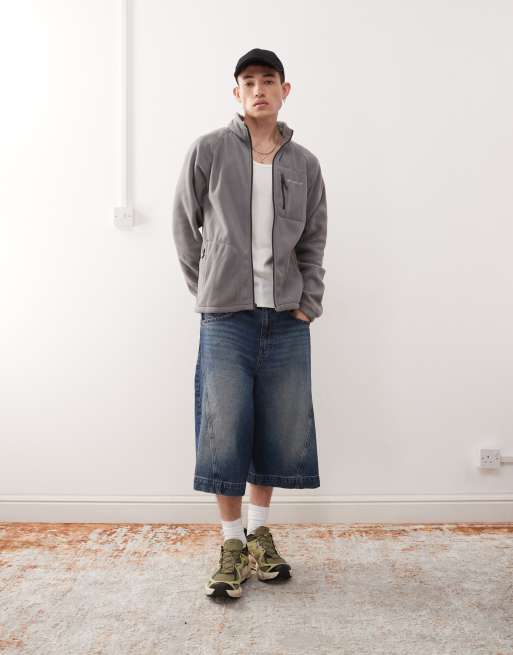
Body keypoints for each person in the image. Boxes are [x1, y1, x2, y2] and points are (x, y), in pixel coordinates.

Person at [172, 48, 328, 599]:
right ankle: (231, 543)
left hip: (286, 318)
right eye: (248, 82)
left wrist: (309, 301)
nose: (259, 89)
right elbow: (185, 229)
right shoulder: (209, 151)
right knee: (224, 428)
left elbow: (313, 240)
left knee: (278, 428)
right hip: (226, 318)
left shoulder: (305, 164)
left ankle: (260, 535)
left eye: (268, 80)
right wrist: (210, 289)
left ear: (286, 90)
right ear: (236, 93)